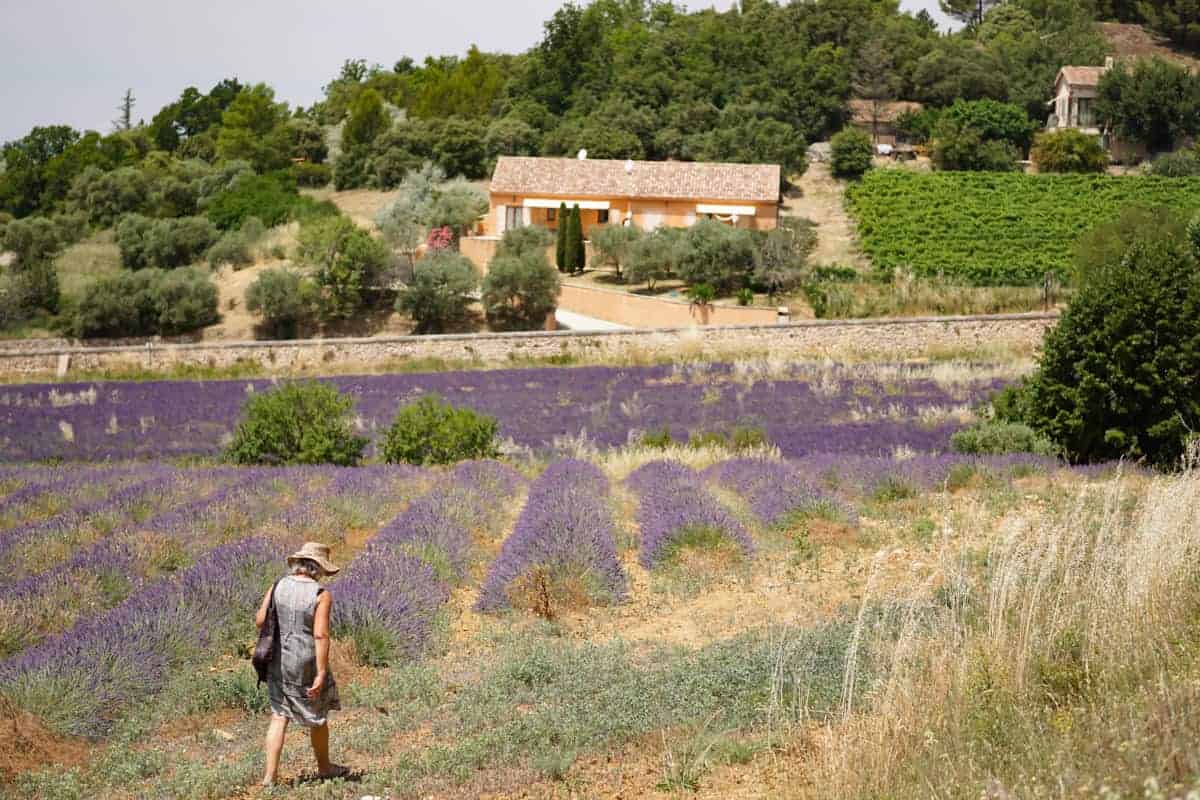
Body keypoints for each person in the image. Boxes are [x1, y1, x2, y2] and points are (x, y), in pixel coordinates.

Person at [256, 542, 348, 786]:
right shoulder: (321, 594)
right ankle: (325, 767)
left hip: (278, 659)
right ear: (318, 568)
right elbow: (320, 635)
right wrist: (320, 673)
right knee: (317, 716)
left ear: (297, 564)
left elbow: (260, 620)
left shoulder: (278, 585)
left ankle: (270, 777)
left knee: (279, 715)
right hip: (304, 661)